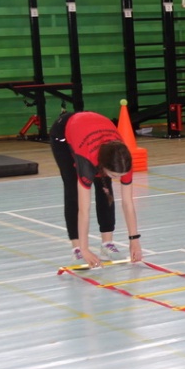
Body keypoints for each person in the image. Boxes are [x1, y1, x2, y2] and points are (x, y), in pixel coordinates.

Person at [50, 110, 143, 268]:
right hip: (64, 134)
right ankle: (77, 249)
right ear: (102, 165)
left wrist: (134, 240)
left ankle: (107, 244)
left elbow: (128, 203)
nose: (118, 178)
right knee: (73, 191)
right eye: (114, 174)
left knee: (105, 188)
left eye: (120, 176)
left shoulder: (124, 161)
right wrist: (85, 248)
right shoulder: (87, 160)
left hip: (93, 128)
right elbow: (84, 210)